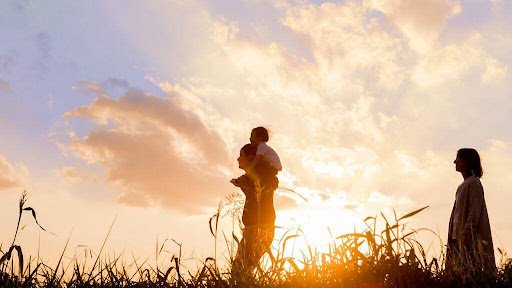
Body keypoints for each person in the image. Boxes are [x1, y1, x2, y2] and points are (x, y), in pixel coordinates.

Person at [230, 144, 276, 274]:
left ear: (250, 157)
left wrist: (243, 183)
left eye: (241, 156)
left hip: (259, 229)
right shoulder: (255, 176)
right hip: (255, 229)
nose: (238, 159)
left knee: (240, 270)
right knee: (242, 269)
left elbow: (259, 192)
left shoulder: (259, 177)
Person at [446, 148, 495, 271]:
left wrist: (467, 233)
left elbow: (475, 210)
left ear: (466, 161)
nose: (454, 161)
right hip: (456, 237)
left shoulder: (473, 183)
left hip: (468, 238)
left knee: (471, 267)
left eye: (458, 158)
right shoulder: (463, 185)